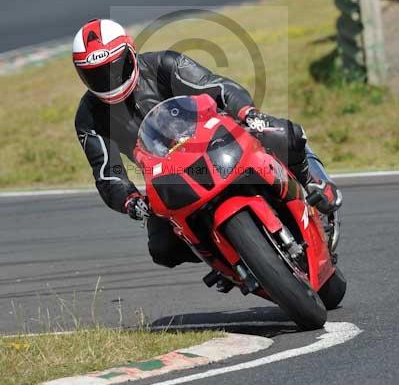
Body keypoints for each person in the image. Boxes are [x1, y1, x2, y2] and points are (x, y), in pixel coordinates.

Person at [73, 18, 342, 269]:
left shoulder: (165, 64)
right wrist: (131, 201)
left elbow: (217, 86)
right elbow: (108, 174)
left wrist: (247, 113)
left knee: (283, 133)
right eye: (96, 75)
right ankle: (231, 258)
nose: (109, 80)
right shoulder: (89, 116)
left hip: (219, 140)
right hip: (168, 176)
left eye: (115, 68)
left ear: (131, 53)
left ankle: (314, 185)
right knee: (163, 249)